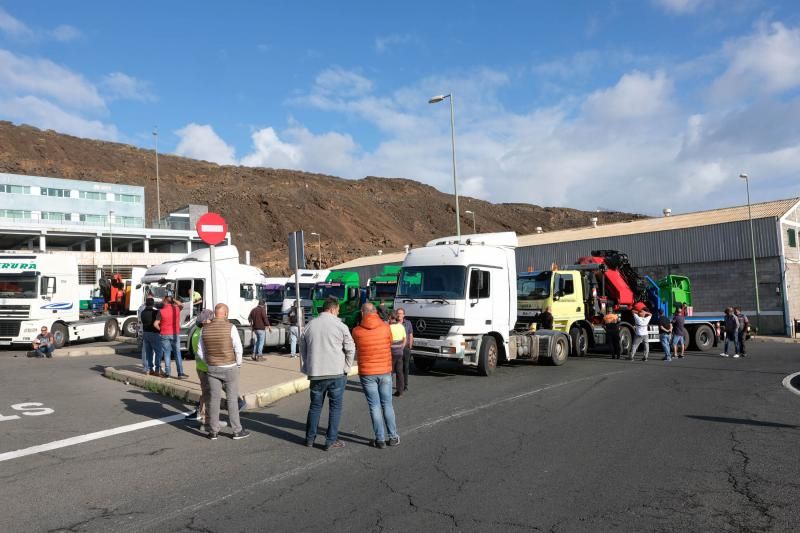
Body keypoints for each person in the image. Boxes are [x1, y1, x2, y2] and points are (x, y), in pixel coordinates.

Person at [300, 297, 355, 450]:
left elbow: (302, 347)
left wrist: (307, 366)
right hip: (336, 372)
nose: (338, 313)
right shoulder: (341, 326)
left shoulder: (310, 325)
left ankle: (310, 439)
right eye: (338, 310)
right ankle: (330, 440)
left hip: (316, 373)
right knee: (335, 407)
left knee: (315, 406)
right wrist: (347, 367)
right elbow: (350, 348)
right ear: (332, 309)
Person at [197, 303, 249, 440]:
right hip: (230, 367)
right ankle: (237, 430)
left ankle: (213, 431)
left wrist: (209, 362)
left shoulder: (205, 329)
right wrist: (238, 364)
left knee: (213, 400)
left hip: (212, 368)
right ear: (226, 313)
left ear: (215, 314)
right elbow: (238, 348)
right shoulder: (231, 327)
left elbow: (200, 351)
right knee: (232, 399)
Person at [352, 303, 400, 449]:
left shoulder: (356, 331)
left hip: (367, 372)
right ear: (375, 312)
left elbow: (356, 345)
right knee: (387, 404)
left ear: (362, 313)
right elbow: (390, 341)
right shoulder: (386, 328)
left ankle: (379, 439)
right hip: (384, 370)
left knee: (374, 406)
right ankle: (393, 436)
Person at [185, 308, 214, 428]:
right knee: (209, 393)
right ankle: (206, 418)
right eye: (211, 319)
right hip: (207, 367)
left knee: (206, 391)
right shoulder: (203, 332)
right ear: (206, 321)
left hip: (200, 367)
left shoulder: (197, 330)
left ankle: (200, 412)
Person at [158, 292, 188, 378]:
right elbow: (182, 305)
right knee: (177, 353)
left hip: (164, 333)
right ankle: (180, 373)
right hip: (175, 334)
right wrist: (173, 299)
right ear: (171, 301)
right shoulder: (176, 309)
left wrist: (161, 330)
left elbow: (156, 323)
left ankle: (167, 373)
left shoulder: (161, 311)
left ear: (165, 301)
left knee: (167, 353)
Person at [139, 297, 162, 375]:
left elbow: (142, 321)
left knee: (148, 352)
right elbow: (157, 322)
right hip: (154, 333)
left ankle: (149, 369)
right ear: (153, 304)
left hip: (146, 333)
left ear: (146, 303)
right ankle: (157, 369)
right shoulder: (155, 312)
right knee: (158, 352)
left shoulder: (142, 312)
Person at [389, 312, 407, 397]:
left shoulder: (389, 327)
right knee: (399, 372)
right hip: (399, 352)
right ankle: (400, 390)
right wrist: (401, 348)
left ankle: (388, 390)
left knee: (390, 373)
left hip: (391, 353)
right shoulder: (401, 326)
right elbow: (404, 339)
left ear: (391, 318)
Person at [395, 307, 413, 393]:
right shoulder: (394, 323)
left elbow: (410, 335)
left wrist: (410, 346)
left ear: (404, 315)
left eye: (401, 313)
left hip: (406, 348)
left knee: (406, 367)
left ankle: (405, 385)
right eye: (398, 313)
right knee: (398, 368)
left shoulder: (408, 323)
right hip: (397, 348)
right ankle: (399, 386)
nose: (399, 315)